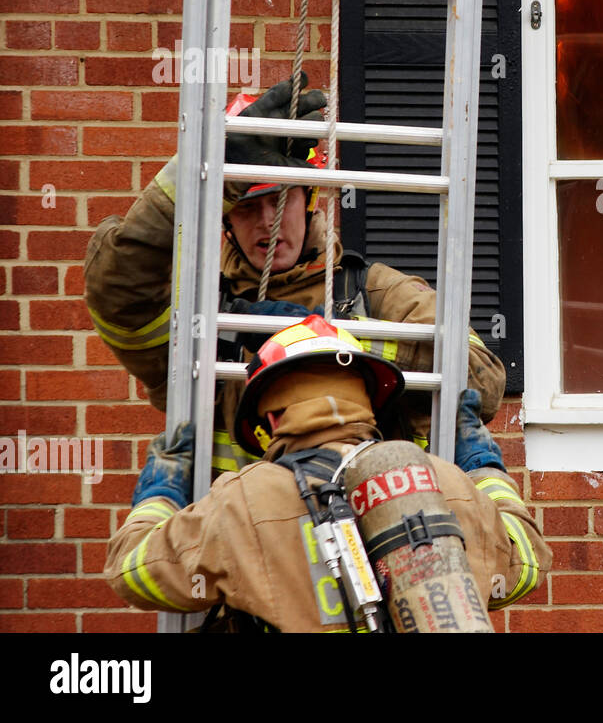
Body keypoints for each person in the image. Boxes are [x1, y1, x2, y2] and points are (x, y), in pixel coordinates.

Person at [84, 77, 506, 473]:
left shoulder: (376, 293)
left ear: (308, 197)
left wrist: (328, 337)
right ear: (225, 217)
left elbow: (482, 382)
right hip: (239, 543)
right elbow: (118, 291)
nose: (266, 222)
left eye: (280, 198)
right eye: (247, 206)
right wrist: (208, 160)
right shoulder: (203, 315)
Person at [105, 316, 548, 630]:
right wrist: (484, 469)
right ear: (368, 398)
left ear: (270, 421)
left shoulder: (240, 502)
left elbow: (133, 572)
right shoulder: (444, 481)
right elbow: (525, 562)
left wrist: (159, 494)